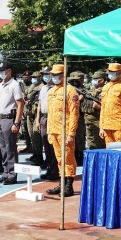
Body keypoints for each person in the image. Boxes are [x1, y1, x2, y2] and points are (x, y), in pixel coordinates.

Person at [46, 64, 79, 197]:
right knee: (59, 158)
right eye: (52, 75)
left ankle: (69, 186)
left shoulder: (70, 91)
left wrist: (71, 133)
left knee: (68, 158)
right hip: (54, 130)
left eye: (56, 75)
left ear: (62, 75)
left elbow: (74, 114)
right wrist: (49, 131)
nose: (53, 77)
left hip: (65, 131)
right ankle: (62, 182)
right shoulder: (52, 91)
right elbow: (50, 113)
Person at [0, 61, 24, 185]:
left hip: (9, 119)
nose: (1, 72)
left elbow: (20, 104)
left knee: (10, 148)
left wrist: (16, 123)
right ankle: (5, 172)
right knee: (3, 149)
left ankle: (12, 175)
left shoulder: (15, 85)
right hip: (0, 119)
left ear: (9, 70)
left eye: (3, 70)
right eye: (0, 70)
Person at [36, 66, 59, 180]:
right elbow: (39, 105)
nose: (45, 76)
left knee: (53, 145)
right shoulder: (43, 88)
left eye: (47, 74)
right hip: (44, 118)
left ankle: (55, 171)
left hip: (52, 118)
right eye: (43, 74)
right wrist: (37, 120)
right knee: (46, 145)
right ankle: (50, 168)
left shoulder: (56, 89)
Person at [99, 63, 121, 146]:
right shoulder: (105, 87)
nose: (111, 73)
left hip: (118, 126)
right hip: (106, 127)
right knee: (110, 153)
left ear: (119, 73)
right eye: (110, 71)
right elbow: (103, 108)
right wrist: (101, 127)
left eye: (114, 72)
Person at [83, 71, 106, 149]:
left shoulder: (105, 90)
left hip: (97, 121)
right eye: (93, 78)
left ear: (102, 80)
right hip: (88, 120)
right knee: (90, 144)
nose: (93, 80)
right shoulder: (91, 89)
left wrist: (98, 107)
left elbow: (110, 107)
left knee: (99, 144)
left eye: (95, 79)